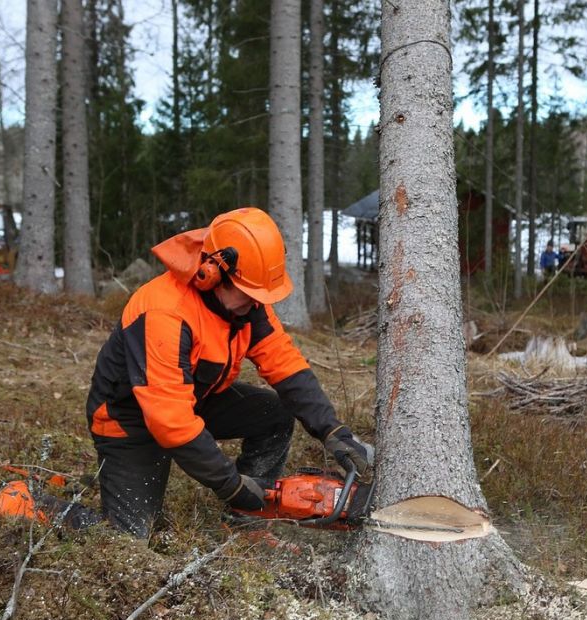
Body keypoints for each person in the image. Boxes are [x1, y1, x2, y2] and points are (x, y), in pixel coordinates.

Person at [85, 207, 372, 538]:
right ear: (213, 273)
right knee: (127, 539)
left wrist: (332, 429)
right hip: (129, 419)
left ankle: (246, 520)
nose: (256, 304)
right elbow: (170, 423)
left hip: (192, 398)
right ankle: (31, 504)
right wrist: (232, 486)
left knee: (275, 413)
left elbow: (285, 364)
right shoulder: (165, 313)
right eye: (249, 295)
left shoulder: (247, 307)